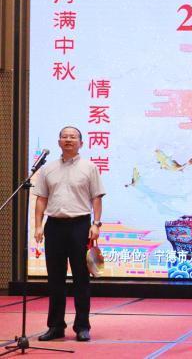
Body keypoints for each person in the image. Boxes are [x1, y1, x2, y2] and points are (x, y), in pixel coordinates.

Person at [33, 126, 105, 342]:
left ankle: (82, 326)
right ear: (59, 142)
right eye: (64, 137)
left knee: (81, 278)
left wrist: (96, 224)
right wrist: (38, 226)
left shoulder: (89, 167)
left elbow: (96, 197)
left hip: (80, 226)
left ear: (81, 143)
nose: (68, 140)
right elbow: (41, 199)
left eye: (73, 137)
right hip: (54, 226)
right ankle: (55, 326)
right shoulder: (47, 169)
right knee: (55, 278)